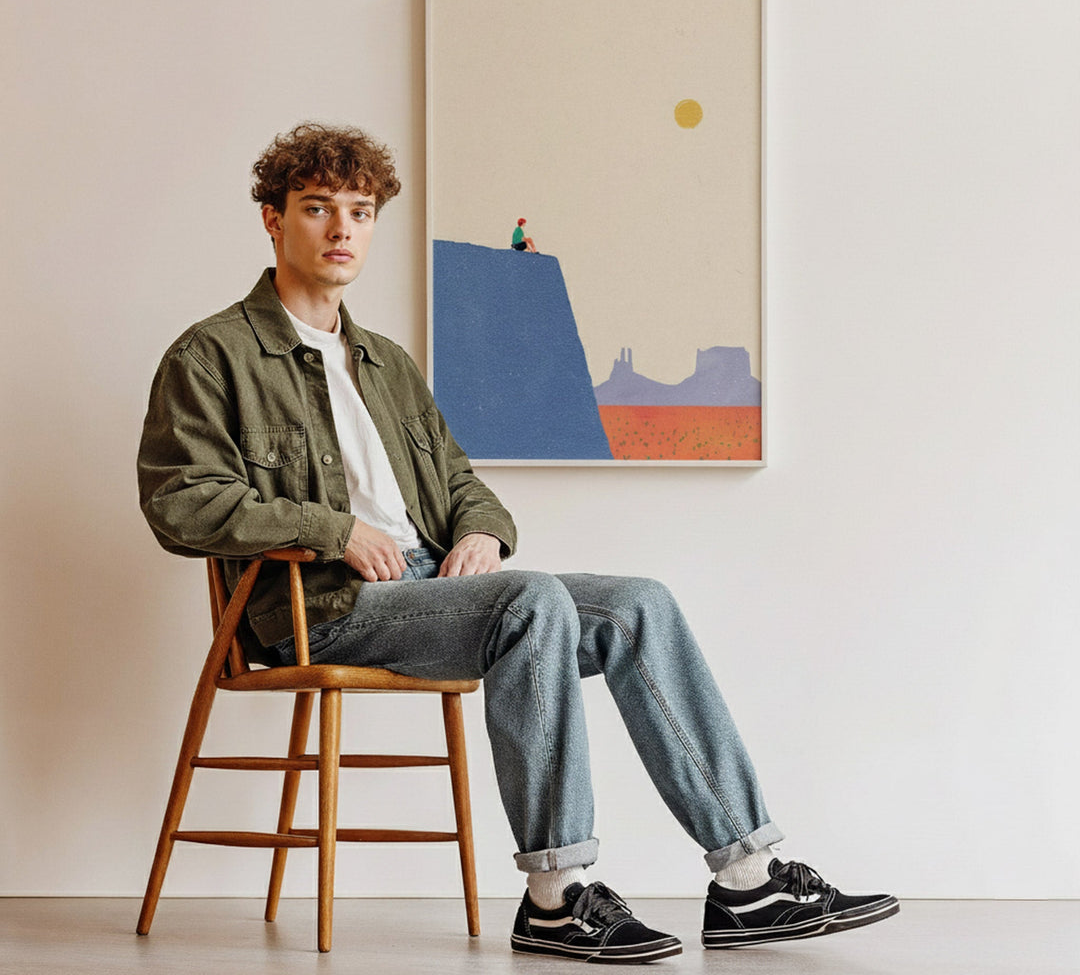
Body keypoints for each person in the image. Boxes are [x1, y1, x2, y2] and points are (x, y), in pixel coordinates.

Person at [138, 122, 898, 964]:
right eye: (318, 208)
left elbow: (463, 481)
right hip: (322, 607)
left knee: (638, 603)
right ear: (275, 221)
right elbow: (180, 500)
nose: (342, 228)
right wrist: (332, 528)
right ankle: (557, 897)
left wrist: (482, 534)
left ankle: (748, 879)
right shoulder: (214, 354)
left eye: (359, 210)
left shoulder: (385, 362)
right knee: (531, 601)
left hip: (433, 592)